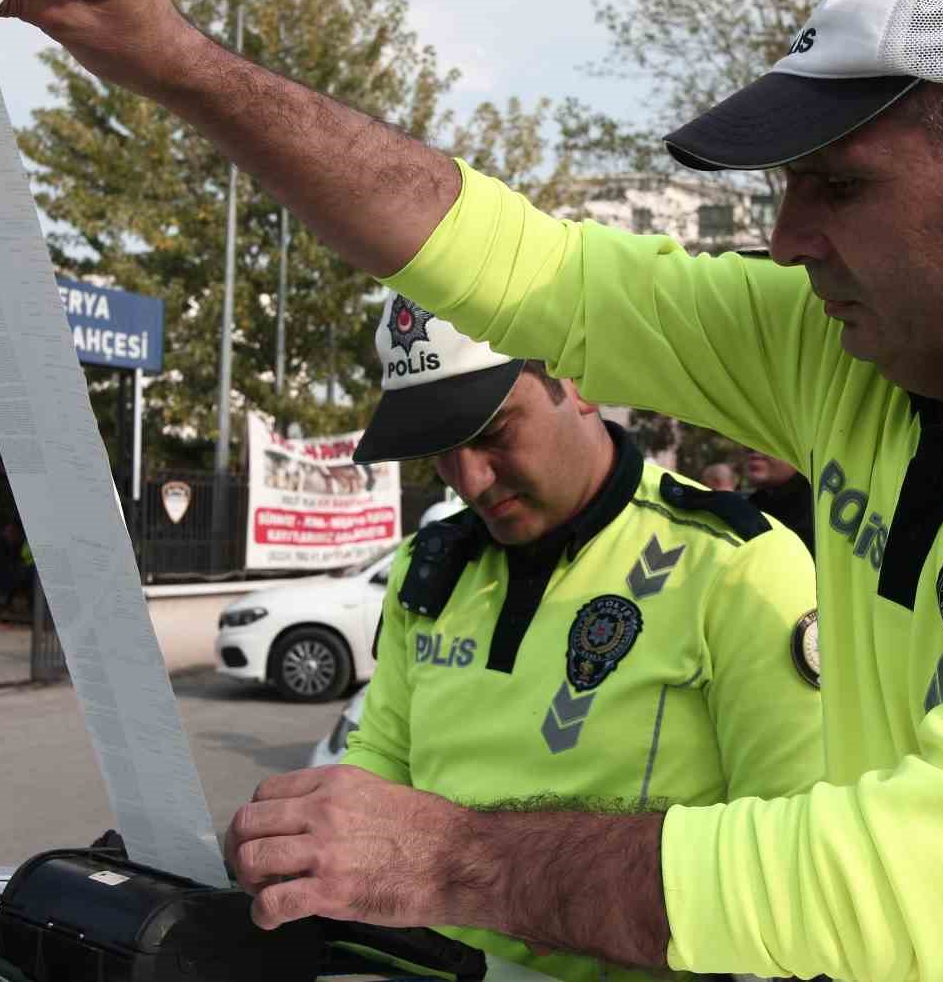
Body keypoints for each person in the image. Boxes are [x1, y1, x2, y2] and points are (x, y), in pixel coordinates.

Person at [0, 0, 943, 980]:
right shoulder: (846, 357)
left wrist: (452, 859)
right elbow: (521, 266)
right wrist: (169, 55)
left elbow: (903, 882)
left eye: (838, 185)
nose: (785, 239)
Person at [341, 292, 821, 982]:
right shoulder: (430, 563)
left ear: (581, 381)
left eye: (493, 431)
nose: (469, 479)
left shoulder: (736, 564)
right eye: (439, 452)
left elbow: (790, 867)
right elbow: (381, 756)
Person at [741, 450, 814, 552]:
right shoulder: (752, 505)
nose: (753, 450)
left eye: (768, 440)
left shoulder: (819, 508)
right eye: (747, 440)